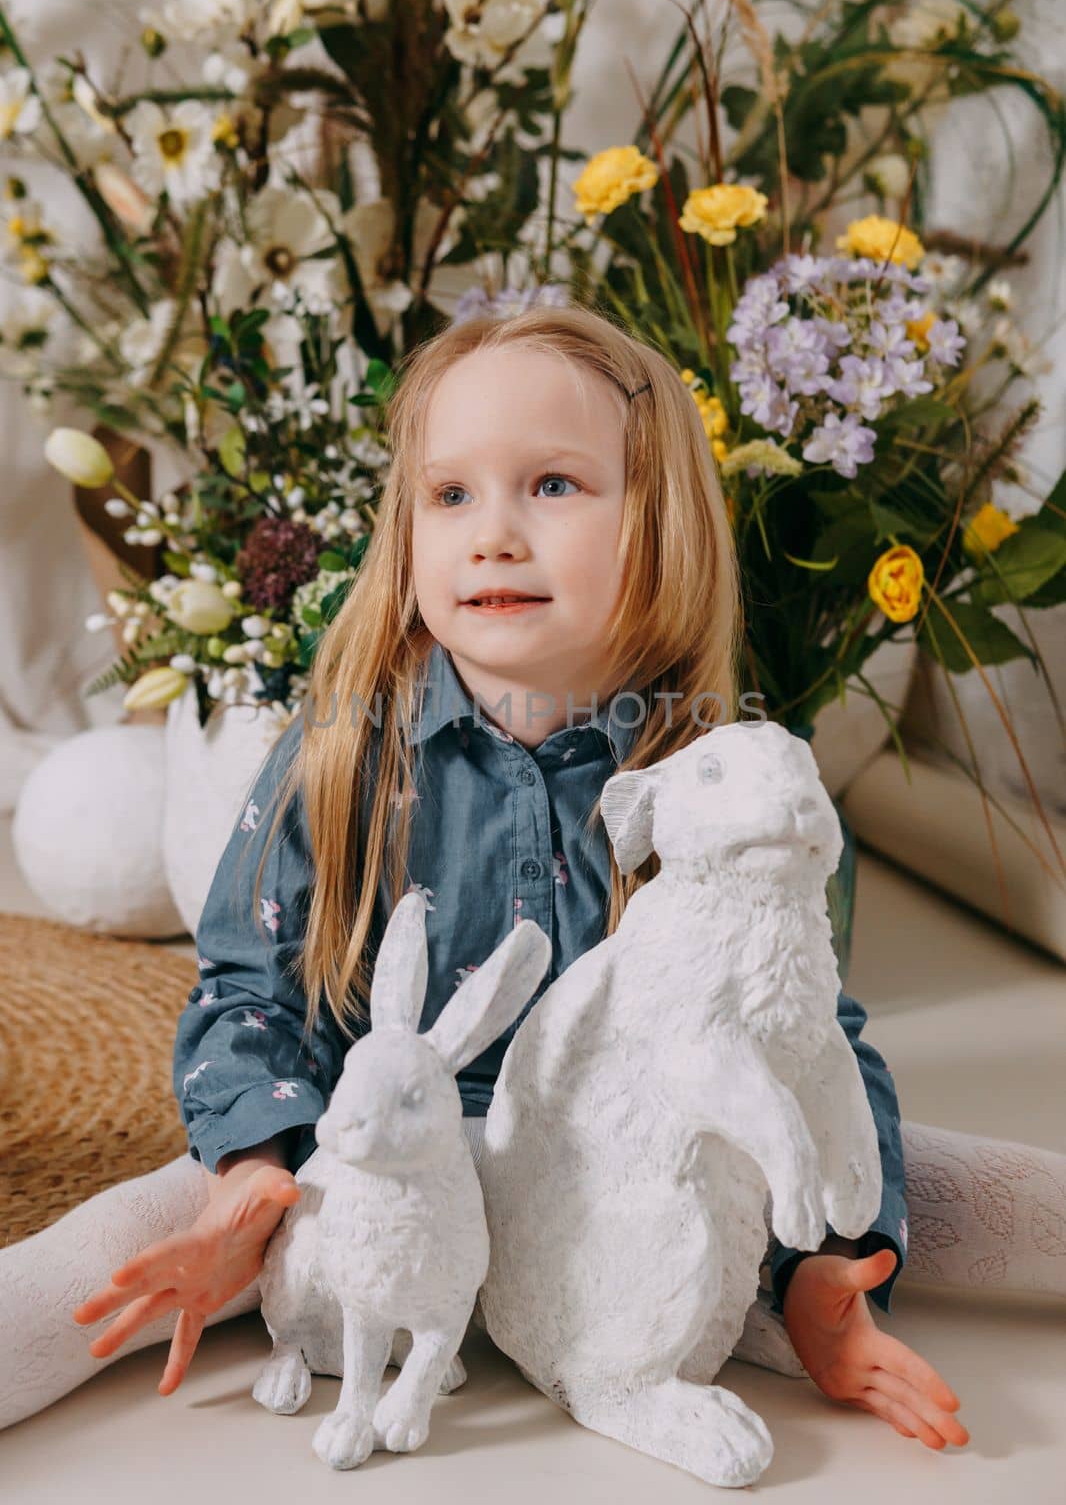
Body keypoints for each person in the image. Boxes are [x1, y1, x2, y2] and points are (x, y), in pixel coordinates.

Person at [11, 299, 1048, 1445]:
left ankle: (770, 1298)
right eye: (449, 495)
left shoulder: (702, 769)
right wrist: (254, 1173)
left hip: (616, 1169)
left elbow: (807, 1030)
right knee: (105, 1258)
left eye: (551, 485)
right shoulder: (344, 748)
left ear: (657, 521)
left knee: (974, 1198)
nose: (491, 533)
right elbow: (245, 983)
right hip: (374, 1173)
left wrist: (834, 1263)